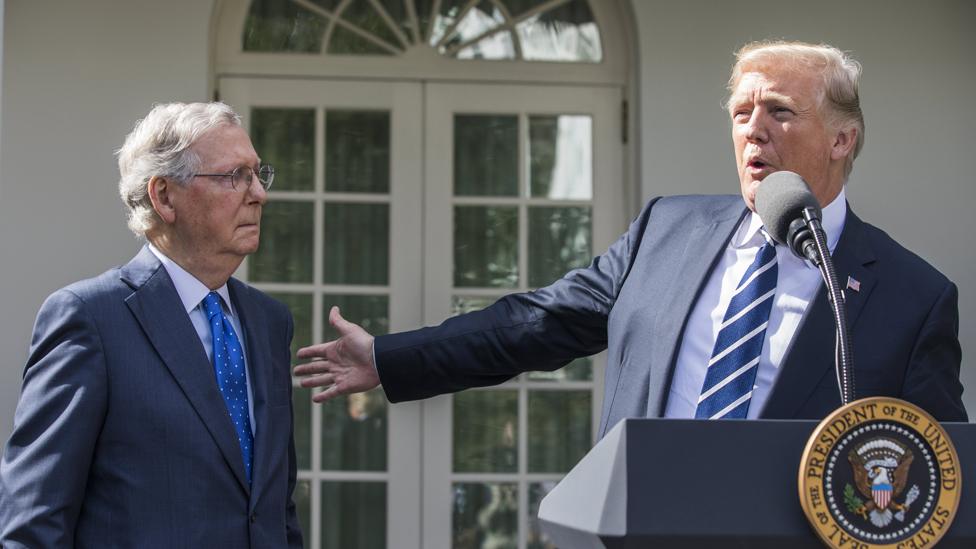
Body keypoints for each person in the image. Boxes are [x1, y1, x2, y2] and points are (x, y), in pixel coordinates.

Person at [294, 40, 966, 434]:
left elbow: (942, 474)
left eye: (780, 112)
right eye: (740, 112)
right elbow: (533, 322)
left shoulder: (910, 296)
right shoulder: (666, 233)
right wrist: (389, 357)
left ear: (842, 140)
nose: (752, 130)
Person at [0, 102, 303, 548]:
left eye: (259, 174)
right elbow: (34, 521)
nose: (259, 193)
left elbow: (276, 508)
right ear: (164, 196)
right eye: (234, 176)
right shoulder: (90, 318)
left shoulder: (269, 323)